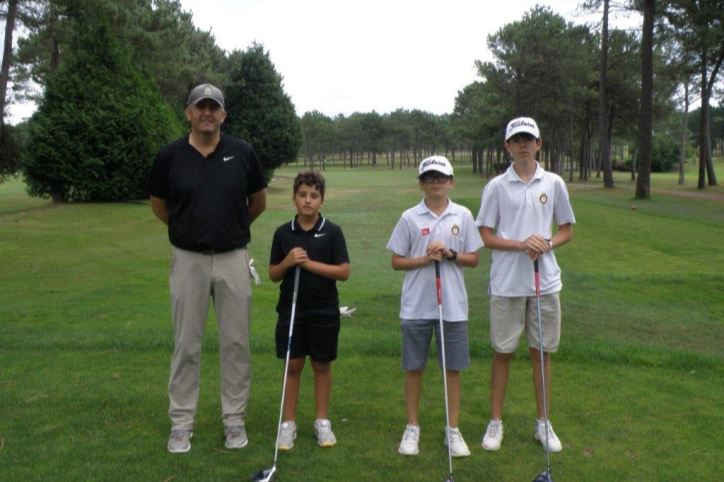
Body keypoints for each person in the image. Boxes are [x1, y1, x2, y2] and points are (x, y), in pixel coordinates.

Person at [147, 83, 267, 453]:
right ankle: (181, 423)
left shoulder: (242, 153)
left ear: (223, 115)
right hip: (188, 260)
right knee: (186, 344)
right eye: (201, 106)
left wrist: (228, 227)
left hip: (233, 258)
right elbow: (159, 205)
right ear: (188, 112)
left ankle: (234, 420)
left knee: (236, 343)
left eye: (214, 107)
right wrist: (189, 230)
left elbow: (258, 202)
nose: (207, 113)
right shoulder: (170, 156)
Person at [475, 117, 575, 453]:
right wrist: (522, 244)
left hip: (545, 281)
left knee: (541, 353)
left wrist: (545, 242)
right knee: (502, 352)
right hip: (507, 282)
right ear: (507, 146)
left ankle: (543, 423)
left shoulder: (554, 183)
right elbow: (485, 234)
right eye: (516, 140)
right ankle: (495, 422)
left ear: (538, 144)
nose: (522, 145)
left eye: (528, 139)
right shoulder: (496, 187)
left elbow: (566, 229)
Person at [386, 156, 483, 458]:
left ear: (451, 182)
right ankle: (412, 426)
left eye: (441, 177)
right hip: (415, 306)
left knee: (451, 370)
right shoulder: (409, 217)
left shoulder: (463, 215)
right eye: (429, 178)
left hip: (452, 307)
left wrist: (450, 254)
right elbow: (396, 261)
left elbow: (474, 258)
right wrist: (426, 260)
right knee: (414, 368)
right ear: (421, 184)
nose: (436, 182)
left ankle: (452, 430)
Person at [269, 171, 350, 450]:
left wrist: (307, 264)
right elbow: (273, 274)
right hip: (292, 310)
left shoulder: (333, 232)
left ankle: (322, 421)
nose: (307, 200)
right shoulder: (283, 233)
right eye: (302, 195)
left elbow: (343, 272)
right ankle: (288, 424)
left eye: (313, 196)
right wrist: (288, 261)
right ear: (294, 198)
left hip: (324, 310)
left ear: (321, 200)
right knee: (293, 365)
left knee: (321, 364)